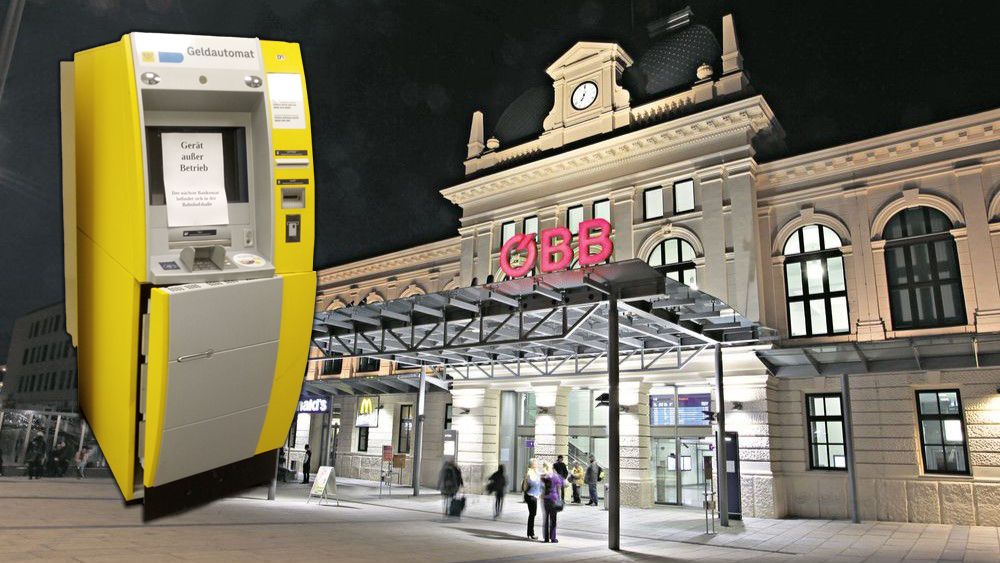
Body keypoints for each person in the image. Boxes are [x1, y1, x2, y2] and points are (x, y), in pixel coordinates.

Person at [540, 462, 564, 543]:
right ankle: (553, 538)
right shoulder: (556, 476)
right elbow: (559, 489)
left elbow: (541, 488)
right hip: (553, 499)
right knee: (553, 519)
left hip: (545, 499)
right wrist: (559, 499)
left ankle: (546, 538)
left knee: (546, 518)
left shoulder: (543, 477)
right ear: (552, 468)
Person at [521, 458, 541, 540]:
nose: (537, 464)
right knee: (532, 514)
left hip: (533, 495)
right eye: (536, 463)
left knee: (532, 514)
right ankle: (531, 533)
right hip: (531, 496)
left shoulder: (534, 472)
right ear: (532, 464)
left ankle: (530, 533)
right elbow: (532, 483)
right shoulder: (530, 472)